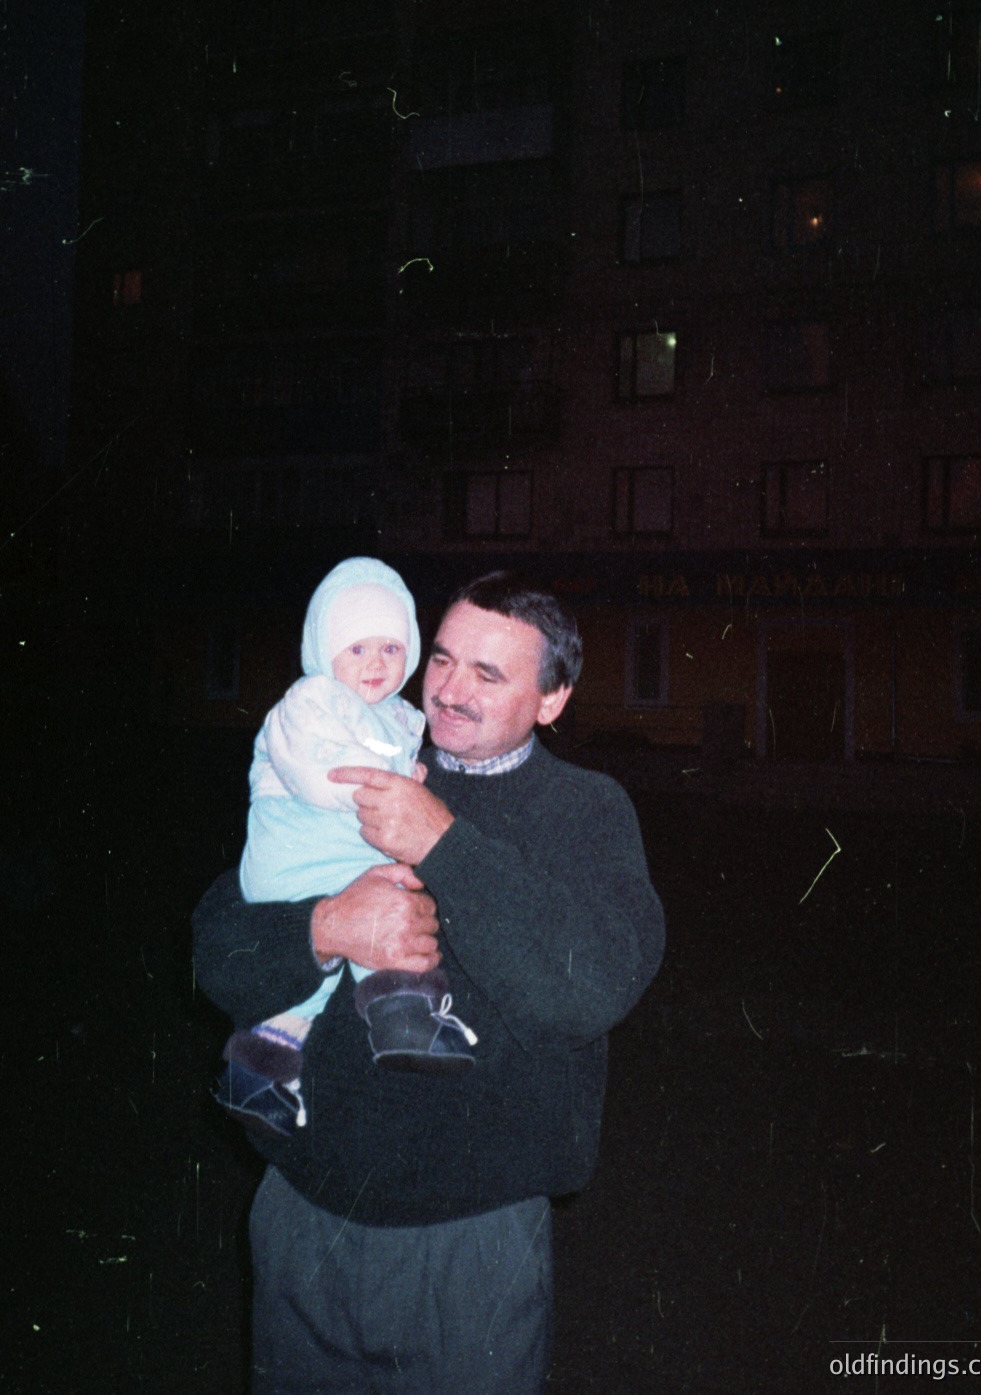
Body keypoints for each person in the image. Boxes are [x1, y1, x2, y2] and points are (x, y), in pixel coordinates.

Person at [193, 570, 665, 1394]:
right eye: (441, 659)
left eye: (488, 673)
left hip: (470, 1249)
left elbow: (589, 987)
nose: (448, 690)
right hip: (304, 1217)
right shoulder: (358, 754)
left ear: (552, 699)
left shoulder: (587, 811)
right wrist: (323, 929)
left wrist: (440, 840)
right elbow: (212, 943)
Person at [216, 556, 478, 1137]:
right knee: (366, 922)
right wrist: (393, 786)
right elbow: (317, 773)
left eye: (390, 648)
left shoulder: (399, 716)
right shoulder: (310, 699)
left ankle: (261, 1073)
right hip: (298, 852)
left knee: (337, 965)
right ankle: (403, 1014)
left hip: (345, 853)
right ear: (324, 650)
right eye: (357, 649)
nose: (376, 664)